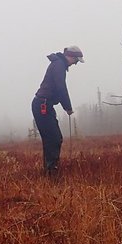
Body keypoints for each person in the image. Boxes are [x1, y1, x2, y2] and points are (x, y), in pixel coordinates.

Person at [32, 45, 83, 174]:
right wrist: (68, 107)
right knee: (54, 138)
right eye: (76, 60)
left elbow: (58, 88)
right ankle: (51, 172)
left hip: (43, 105)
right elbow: (61, 88)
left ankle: (49, 171)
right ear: (70, 56)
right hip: (42, 105)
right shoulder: (59, 65)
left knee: (51, 139)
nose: (75, 64)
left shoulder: (58, 64)